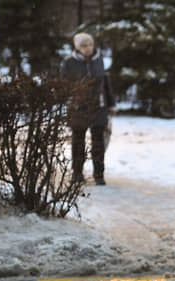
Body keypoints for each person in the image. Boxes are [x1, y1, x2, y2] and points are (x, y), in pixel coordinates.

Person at [60, 32, 115, 186]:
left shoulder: (99, 60)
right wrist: (71, 101)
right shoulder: (69, 63)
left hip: (99, 106)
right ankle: (77, 174)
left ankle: (99, 174)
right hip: (79, 108)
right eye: (84, 46)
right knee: (78, 141)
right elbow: (64, 86)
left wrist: (111, 104)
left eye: (90, 45)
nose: (88, 48)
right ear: (77, 47)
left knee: (98, 142)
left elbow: (105, 83)